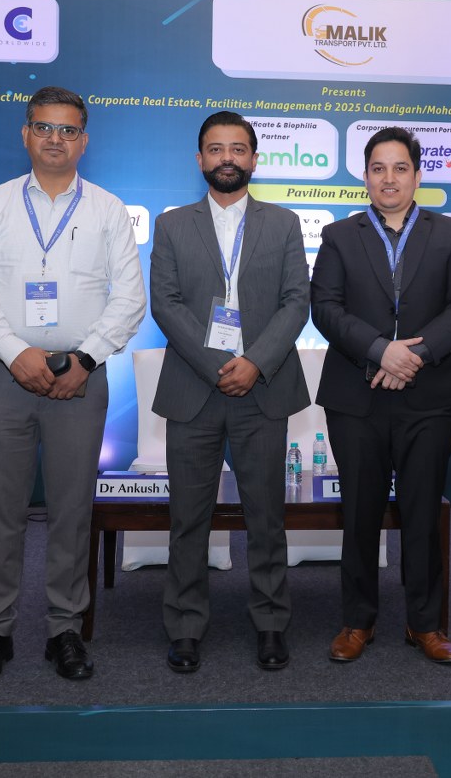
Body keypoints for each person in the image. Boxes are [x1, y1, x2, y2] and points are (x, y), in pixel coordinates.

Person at [0, 86, 146, 683]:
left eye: (68, 130)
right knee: (2, 510)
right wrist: (16, 354)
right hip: (5, 375)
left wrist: (85, 359)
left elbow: (129, 298)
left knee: (71, 510)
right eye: (44, 127)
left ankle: (65, 628)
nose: (55, 139)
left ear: (84, 140)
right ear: (26, 134)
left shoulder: (108, 210)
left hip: (79, 380)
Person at [311, 126, 451, 665]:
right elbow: (326, 308)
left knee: (422, 512)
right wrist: (380, 351)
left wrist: (414, 356)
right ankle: (357, 620)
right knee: (359, 512)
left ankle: (424, 624)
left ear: (417, 175)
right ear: (365, 176)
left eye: (400, 168)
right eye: (378, 168)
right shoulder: (339, 236)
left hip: (429, 395)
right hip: (356, 396)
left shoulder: (449, 233)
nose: (389, 178)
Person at [150, 111, 310, 673]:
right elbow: (165, 303)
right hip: (194, 388)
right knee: (188, 519)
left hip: (262, 388)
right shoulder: (172, 225)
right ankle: (185, 626)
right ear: (200, 159)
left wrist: (254, 362)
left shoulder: (284, 223)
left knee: (266, 518)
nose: (227, 158)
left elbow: (296, 301)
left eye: (238, 149)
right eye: (216, 149)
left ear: (254, 159)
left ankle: (271, 623)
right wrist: (218, 364)